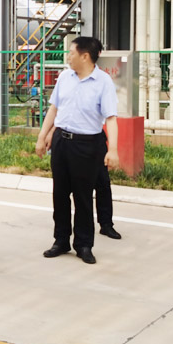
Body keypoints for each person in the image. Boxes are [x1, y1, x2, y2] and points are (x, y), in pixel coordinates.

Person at [35, 36, 119, 265]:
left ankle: (83, 244)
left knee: (83, 196)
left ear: (85, 56)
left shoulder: (103, 82)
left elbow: (111, 118)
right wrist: (42, 136)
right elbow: (54, 109)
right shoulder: (64, 77)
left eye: (71, 52)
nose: (68, 57)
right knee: (60, 193)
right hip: (62, 141)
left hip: (87, 144)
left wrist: (113, 149)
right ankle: (61, 240)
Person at [45, 127, 122, 241]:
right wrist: (50, 132)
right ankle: (63, 237)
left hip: (95, 140)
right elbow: (60, 117)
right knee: (66, 190)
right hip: (72, 143)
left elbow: (110, 120)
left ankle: (106, 224)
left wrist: (112, 149)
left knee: (102, 182)